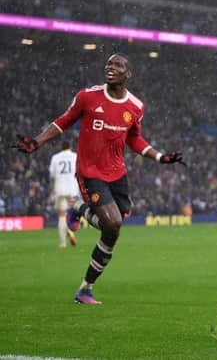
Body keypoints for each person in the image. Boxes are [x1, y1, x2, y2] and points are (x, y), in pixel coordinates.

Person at [12, 53, 185, 304]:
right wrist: (37, 142)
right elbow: (63, 121)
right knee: (112, 224)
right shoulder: (88, 97)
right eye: (109, 64)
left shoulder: (136, 106)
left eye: (118, 65)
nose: (111, 68)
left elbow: (134, 138)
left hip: (117, 173)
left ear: (129, 74)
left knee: (116, 226)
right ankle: (84, 284)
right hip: (90, 172)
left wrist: (160, 157)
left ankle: (85, 285)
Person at [49, 140, 80, 248]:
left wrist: (52, 189)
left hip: (60, 189)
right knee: (72, 214)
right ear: (70, 147)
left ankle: (62, 243)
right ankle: (71, 232)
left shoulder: (55, 157)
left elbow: (52, 176)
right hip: (73, 190)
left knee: (62, 215)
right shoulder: (76, 156)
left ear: (61, 148)